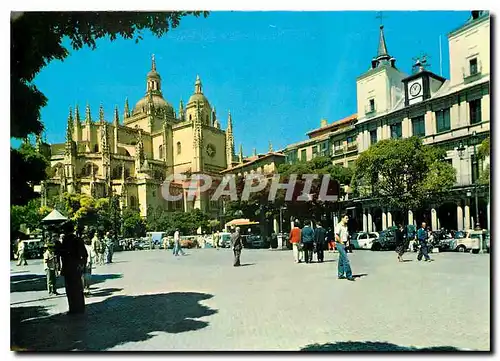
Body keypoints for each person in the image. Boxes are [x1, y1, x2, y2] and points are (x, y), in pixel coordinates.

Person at [59, 221, 88, 315]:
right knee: (77, 288)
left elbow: (62, 254)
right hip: (75, 268)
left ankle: (74, 308)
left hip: (69, 268)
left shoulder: (69, 240)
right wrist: (82, 265)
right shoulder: (76, 239)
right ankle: (79, 307)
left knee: (71, 289)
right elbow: (85, 255)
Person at [335, 214, 355, 281]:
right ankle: (349, 275)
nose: (347, 219)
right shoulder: (338, 226)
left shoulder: (346, 226)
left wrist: (347, 242)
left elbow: (347, 235)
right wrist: (341, 242)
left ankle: (340, 274)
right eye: (346, 218)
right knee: (346, 259)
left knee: (341, 260)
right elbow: (336, 236)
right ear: (342, 218)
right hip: (340, 244)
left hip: (345, 243)